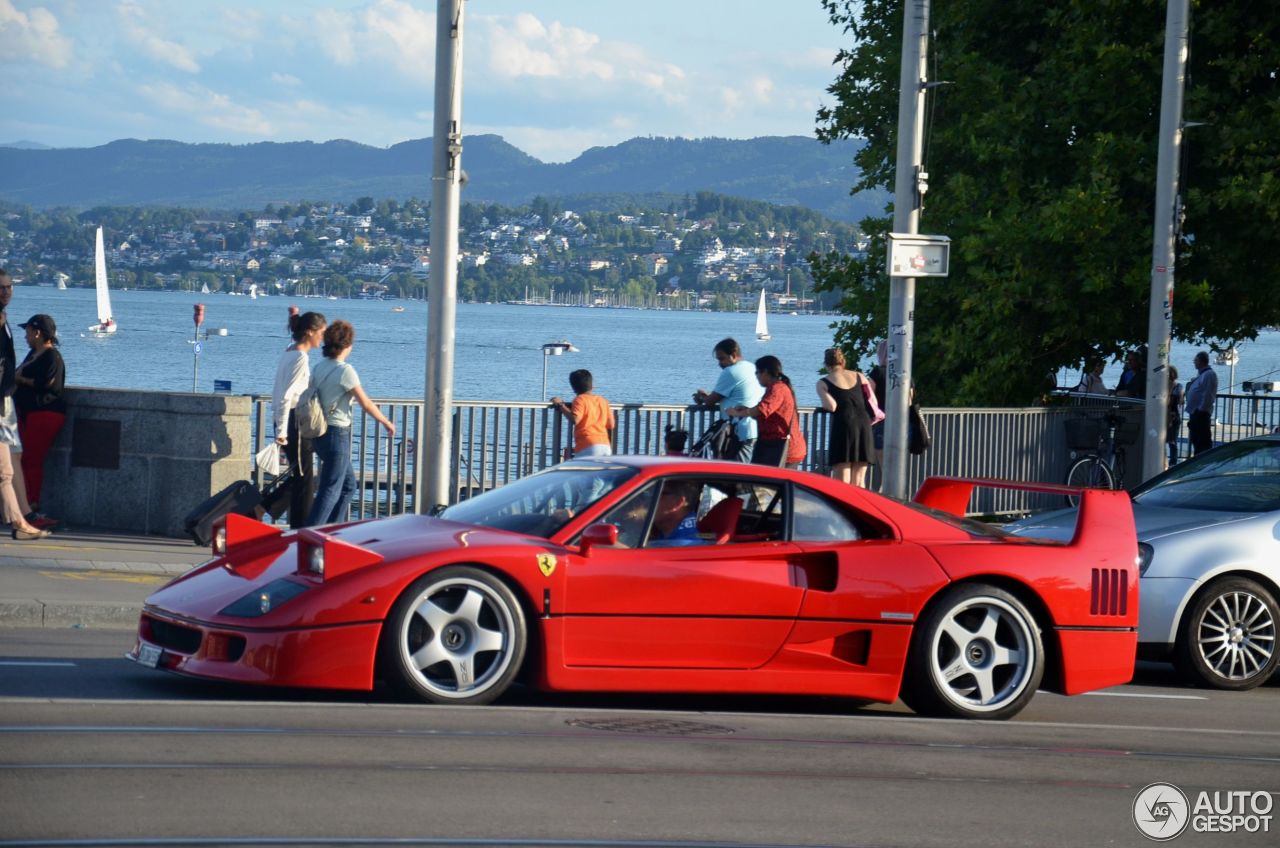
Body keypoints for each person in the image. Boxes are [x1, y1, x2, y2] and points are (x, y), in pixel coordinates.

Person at [304, 320, 395, 527]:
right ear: (347, 345)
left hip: (319, 434)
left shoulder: (318, 367)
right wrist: (386, 421)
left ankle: (332, 530)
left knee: (348, 486)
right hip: (337, 434)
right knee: (331, 488)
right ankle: (309, 533)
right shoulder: (346, 371)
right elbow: (366, 403)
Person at [267, 310, 325, 528]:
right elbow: (286, 395)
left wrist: (278, 424)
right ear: (310, 332)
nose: (322, 337)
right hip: (294, 422)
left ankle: (265, 509)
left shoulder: (289, 351)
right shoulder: (300, 357)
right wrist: (281, 431)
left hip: (288, 420)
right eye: (321, 332)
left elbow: (279, 391)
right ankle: (301, 528)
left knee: (301, 477)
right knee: (304, 479)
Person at [13, 314, 66, 520]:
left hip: (45, 413)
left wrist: (20, 379)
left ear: (37, 333)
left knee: (31, 459)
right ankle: (22, 504)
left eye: (27, 332)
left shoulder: (52, 356)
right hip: (28, 413)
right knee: (22, 459)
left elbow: (48, 385)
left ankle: (31, 504)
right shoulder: (33, 354)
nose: (25, 336)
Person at [726, 355, 807, 469]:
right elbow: (767, 412)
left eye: (757, 372)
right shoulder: (776, 388)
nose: (756, 376)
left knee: (769, 484)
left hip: (782, 449)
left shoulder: (777, 388)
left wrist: (736, 413)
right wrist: (745, 409)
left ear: (765, 372)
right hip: (775, 446)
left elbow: (762, 409)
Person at [692, 338, 763, 462]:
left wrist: (702, 397)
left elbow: (711, 401)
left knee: (738, 475)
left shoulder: (731, 371)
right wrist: (708, 397)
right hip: (755, 428)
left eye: (722, 358)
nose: (720, 363)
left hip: (739, 433)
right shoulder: (751, 367)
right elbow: (737, 396)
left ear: (733, 355)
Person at [815, 348, 875, 487]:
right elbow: (873, 400)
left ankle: (842, 508)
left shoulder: (823, 382)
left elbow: (831, 406)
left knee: (842, 480)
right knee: (859, 480)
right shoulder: (860, 376)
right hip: (864, 424)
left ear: (826, 365)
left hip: (844, 426)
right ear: (843, 362)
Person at [550, 369, 615, 458]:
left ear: (573, 387)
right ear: (592, 385)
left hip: (587, 445)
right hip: (605, 445)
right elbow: (611, 424)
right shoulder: (603, 401)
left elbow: (575, 419)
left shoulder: (580, 399)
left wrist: (561, 405)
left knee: (582, 471)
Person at [648, 481, 704, 546]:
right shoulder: (667, 533)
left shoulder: (684, 544)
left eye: (657, 493)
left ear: (678, 502)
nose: (649, 499)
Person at [1185, 351, 1218, 456]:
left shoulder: (1209, 374)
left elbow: (1208, 394)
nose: (1194, 362)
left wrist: (1201, 410)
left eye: (1196, 360)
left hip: (1201, 414)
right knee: (1196, 440)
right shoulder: (1202, 374)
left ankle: (1203, 461)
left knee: (1202, 441)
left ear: (1202, 361)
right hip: (1196, 413)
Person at [1166, 366, 1183, 466]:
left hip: (1173, 415)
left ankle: (1173, 461)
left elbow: (1180, 401)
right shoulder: (1162, 386)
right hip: (1165, 415)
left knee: (1173, 440)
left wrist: (1170, 389)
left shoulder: (1178, 386)